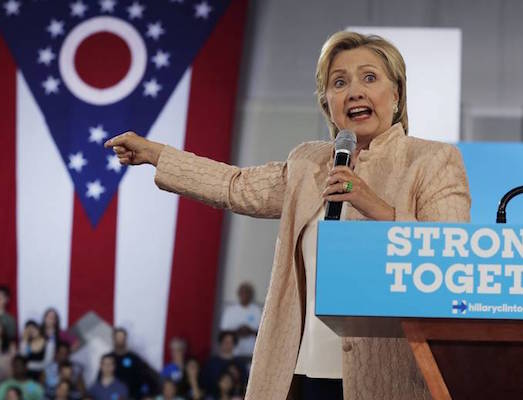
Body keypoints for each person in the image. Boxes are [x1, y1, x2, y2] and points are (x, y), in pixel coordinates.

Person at [105, 31, 470, 400]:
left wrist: (371, 203)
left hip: (390, 377)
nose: (354, 91)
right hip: (307, 370)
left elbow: (449, 257)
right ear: (328, 104)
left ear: (396, 94)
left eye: (370, 77)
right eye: (339, 82)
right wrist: (157, 154)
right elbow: (235, 185)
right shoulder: (308, 164)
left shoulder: (432, 161)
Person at [104, 327, 159, 399]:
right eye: (118, 337)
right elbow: (100, 381)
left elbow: (148, 377)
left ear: (126, 339)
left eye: (122, 337)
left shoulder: (134, 358)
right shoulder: (107, 359)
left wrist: (149, 395)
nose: (120, 340)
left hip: (132, 396)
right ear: (113, 339)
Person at [219, 283, 261, 360]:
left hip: (251, 353)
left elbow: (262, 333)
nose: (245, 294)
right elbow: (223, 332)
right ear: (238, 294)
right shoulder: (230, 311)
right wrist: (238, 331)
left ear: (251, 295)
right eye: (242, 292)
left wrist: (249, 331)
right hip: (233, 353)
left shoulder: (257, 311)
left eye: (247, 292)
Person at [201, 332, 245, 398]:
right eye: (225, 341)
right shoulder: (211, 363)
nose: (228, 344)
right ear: (220, 342)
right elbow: (204, 382)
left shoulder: (240, 364)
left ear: (234, 344)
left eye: (231, 342)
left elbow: (244, 383)